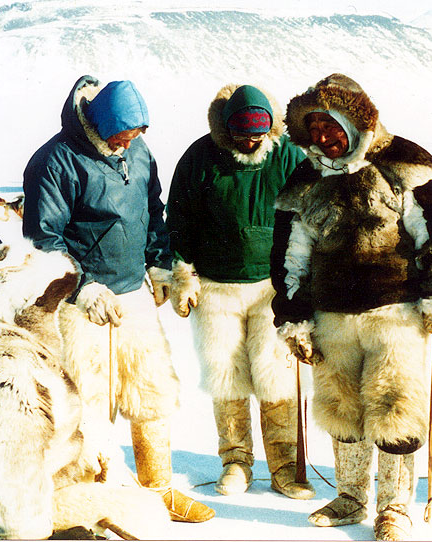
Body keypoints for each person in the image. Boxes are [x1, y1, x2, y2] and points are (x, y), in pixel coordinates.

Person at [270, 73, 432, 541]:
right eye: (314, 129)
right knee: (342, 407)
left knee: (395, 407)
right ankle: (352, 496)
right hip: (332, 316)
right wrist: (293, 316)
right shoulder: (305, 180)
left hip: (395, 313)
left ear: (356, 120)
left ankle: (395, 506)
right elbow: (289, 255)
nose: (323, 138)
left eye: (332, 126)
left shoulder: (401, 162)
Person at [22, 75, 214, 523]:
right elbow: (43, 238)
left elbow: (151, 209)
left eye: (137, 135)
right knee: (87, 401)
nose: (129, 144)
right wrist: (83, 285)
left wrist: (159, 262)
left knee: (152, 391)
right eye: (122, 136)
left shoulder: (138, 152)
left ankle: (158, 489)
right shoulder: (56, 161)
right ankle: (93, 499)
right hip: (78, 306)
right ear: (100, 125)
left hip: (133, 297)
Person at [165, 84, 314, 499]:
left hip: (273, 287)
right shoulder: (200, 157)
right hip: (216, 287)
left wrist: (306, 283)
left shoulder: (285, 155)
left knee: (275, 376)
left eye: (258, 134)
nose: (250, 141)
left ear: (270, 129)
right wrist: (183, 274)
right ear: (226, 129)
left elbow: (310, 214)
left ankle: (284, 466)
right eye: (242, 134)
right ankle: (235, 460)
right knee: (226, 376)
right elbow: (178, 217)